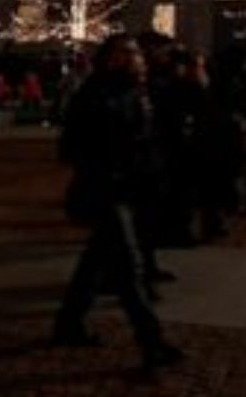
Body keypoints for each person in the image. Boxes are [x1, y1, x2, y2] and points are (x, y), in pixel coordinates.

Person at [52, 34, 185, 373]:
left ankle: (68, 324)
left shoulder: (135, 91)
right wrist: (109, 166)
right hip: (105, 190)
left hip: (128, 189)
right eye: (126, 53)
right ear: (109, 58)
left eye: (136, 52)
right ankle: (151, 341)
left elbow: (145, 141)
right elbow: (72, 147)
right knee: (129, 268)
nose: (135, 58)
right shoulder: (95, 93)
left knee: (93, 264)